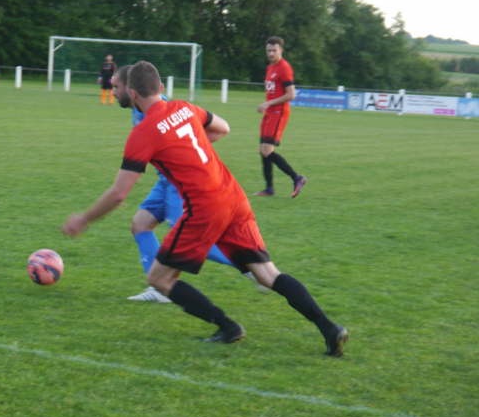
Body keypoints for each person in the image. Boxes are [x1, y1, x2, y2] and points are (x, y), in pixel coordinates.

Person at [62, 61, 348, 357]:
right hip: (234, 197)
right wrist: (188, 144)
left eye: (120, 89)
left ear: (133, 93)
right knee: (267, 274)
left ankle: (227, 326)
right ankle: (330, 328)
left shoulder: (143, 132)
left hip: (205, 207)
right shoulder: (185, 108)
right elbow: (222, 127)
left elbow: (119, 193)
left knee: (159, 279)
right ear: (161, 88)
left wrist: (84, 219)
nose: (116, 91)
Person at [110, 65, 269, 303]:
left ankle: (249, 266)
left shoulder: (158, 108)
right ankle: (159, 290)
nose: (111, 91)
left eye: (115, 86)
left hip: (180, 183)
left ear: (130, 89)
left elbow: (215, 129)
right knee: (140, 224)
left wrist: (183, 153)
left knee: (188, 236)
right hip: (163, 182)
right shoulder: (137, 109)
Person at [253, 36, 307, 198]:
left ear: (281, 50)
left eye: (274, 50)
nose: (271, 53)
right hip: (270, 113)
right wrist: (267, 105)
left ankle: (297, 178)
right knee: (263, 151)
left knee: (267, 150)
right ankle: (269, 189)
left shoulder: (284, 68)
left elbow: (291, 95)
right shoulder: (271, 67)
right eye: (268, 50)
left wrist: (268, 104)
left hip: (279, 113)